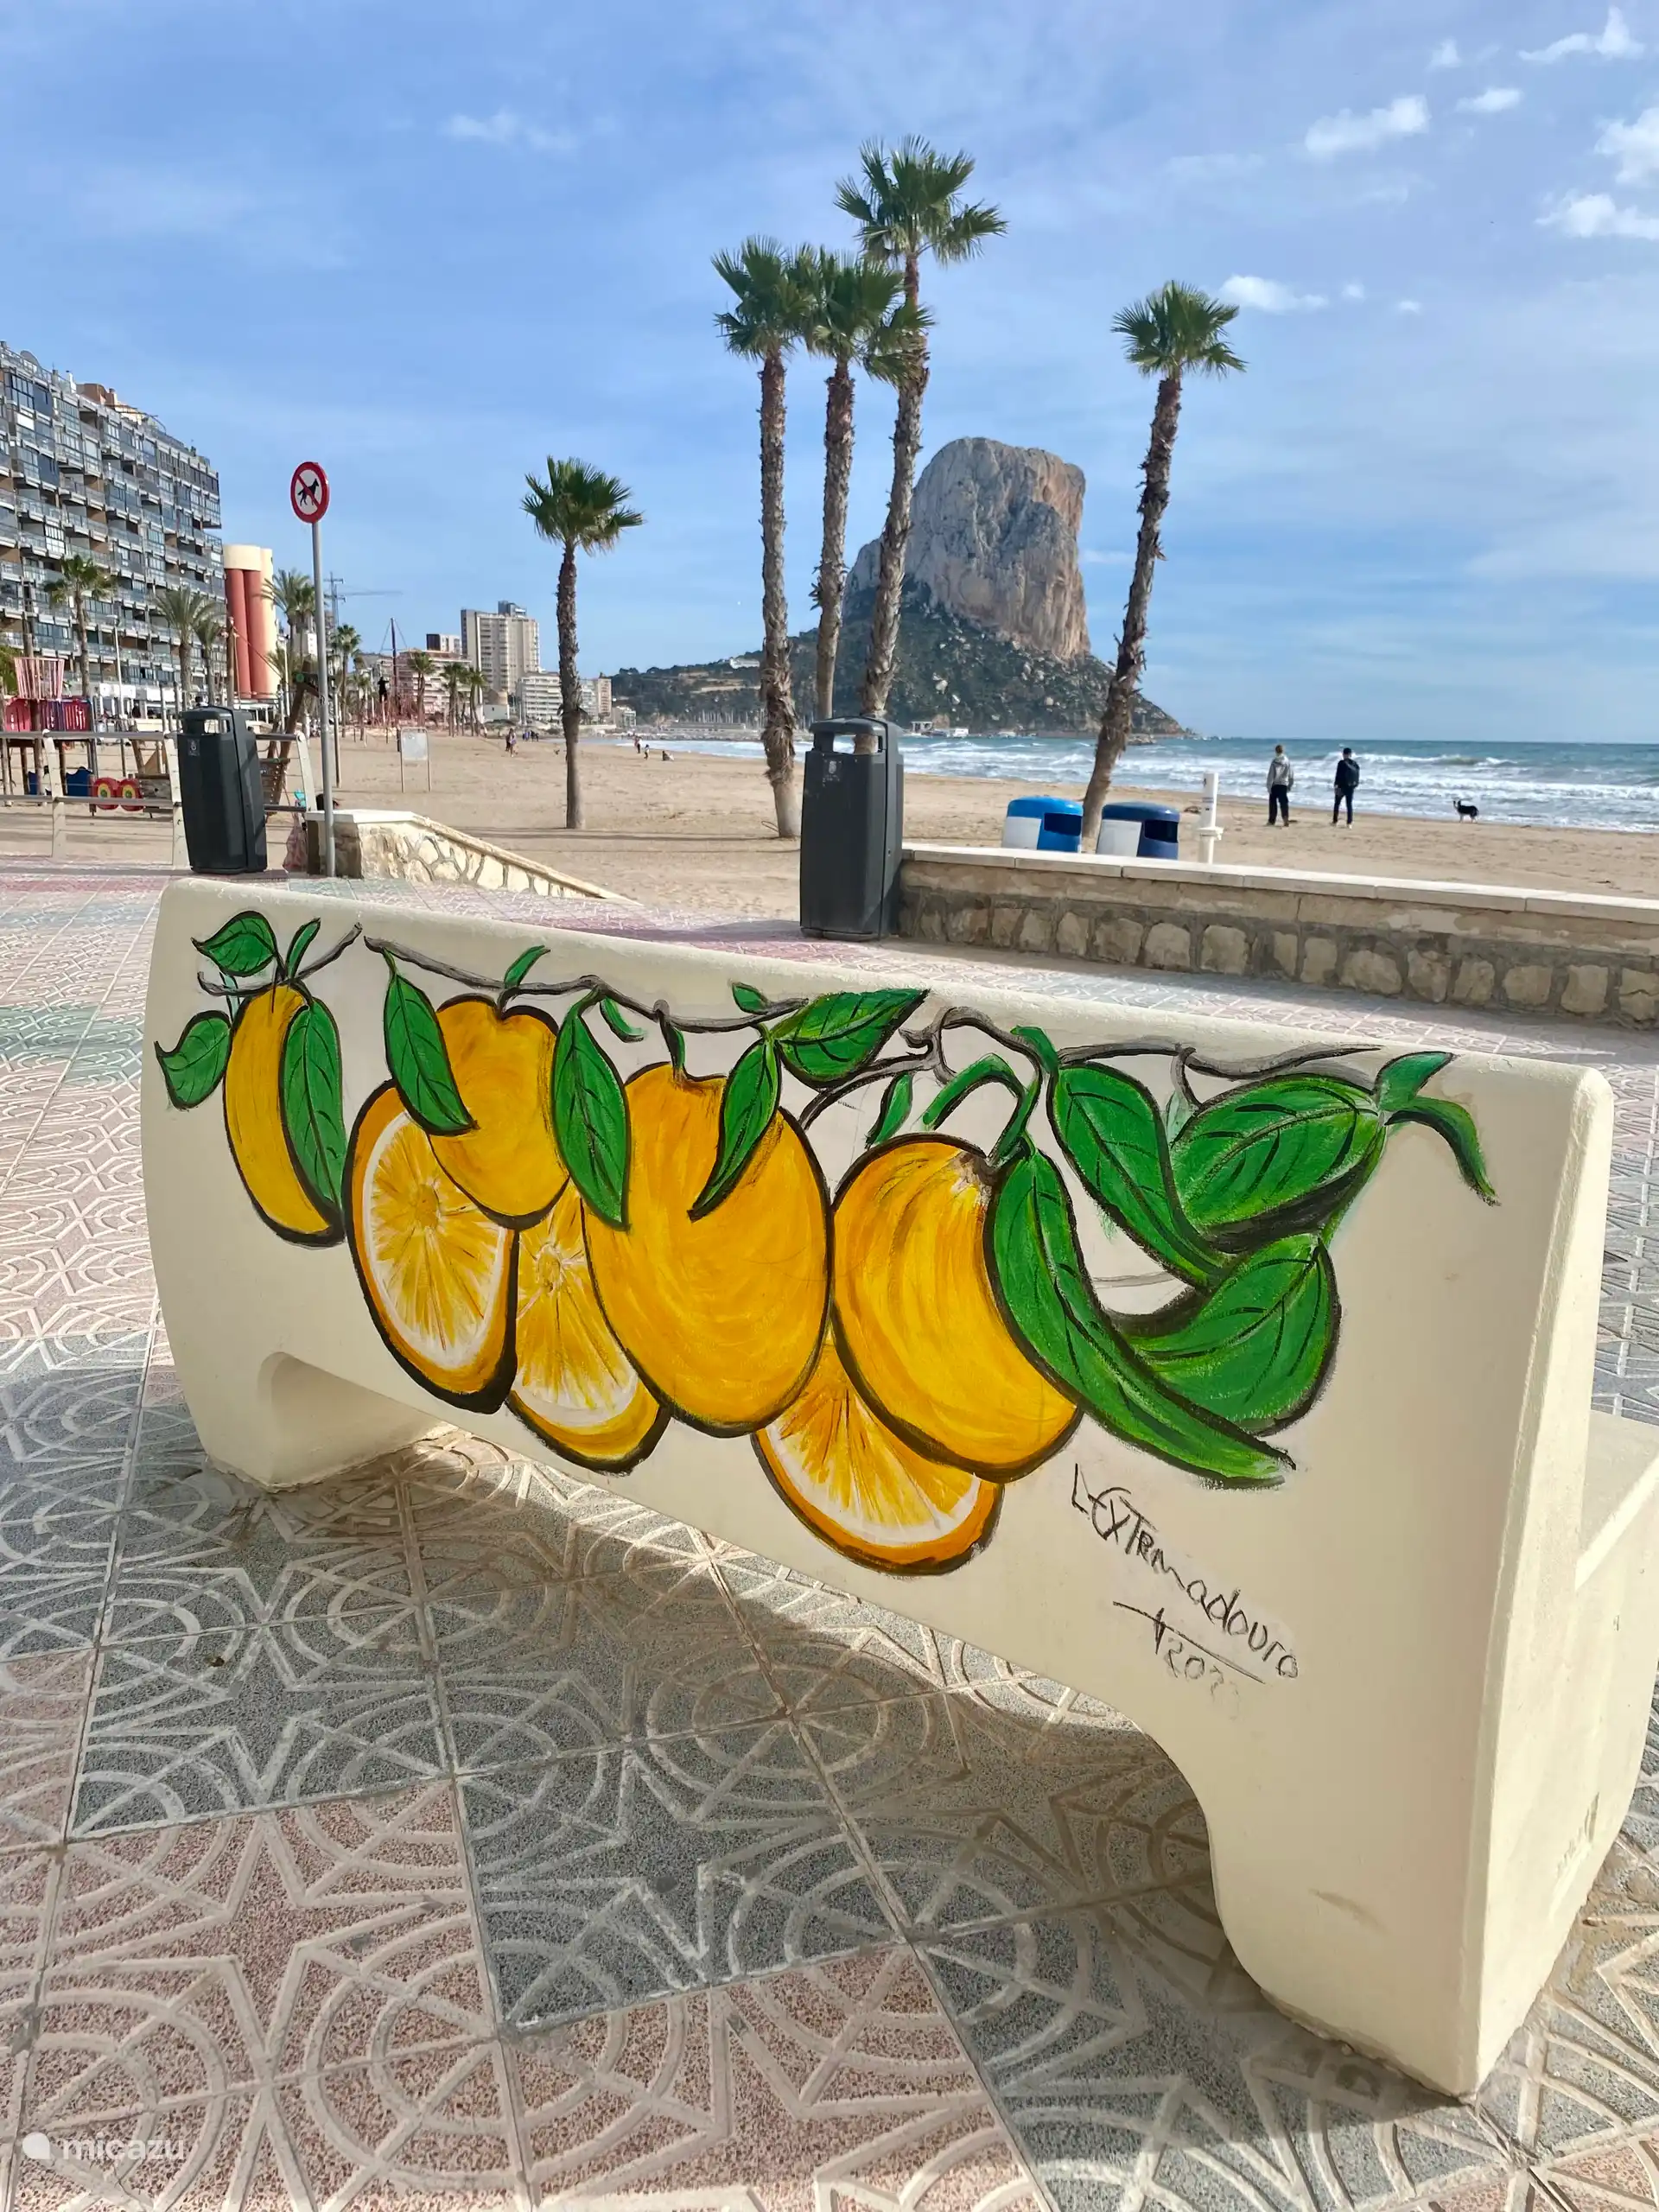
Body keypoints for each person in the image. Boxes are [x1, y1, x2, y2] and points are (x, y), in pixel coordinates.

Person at [1266, 745, 1294, 827]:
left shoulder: (1274, 761)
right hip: (1283, 784)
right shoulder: (1287, 761)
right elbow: (1291, 774)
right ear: (1283, 751)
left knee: (1273, 803)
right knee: (1284, 803)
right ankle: (1285, 818)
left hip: (1275, 784)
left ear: (1276, 751)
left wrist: (1269, 786)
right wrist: (1290, 785)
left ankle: (1272, 821)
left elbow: (1271, 775)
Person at [1332, 747, 1359, 825]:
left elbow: (1338, 775)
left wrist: (1336, 785)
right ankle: (1349, 823)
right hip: (1351, 787)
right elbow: (1357, 776)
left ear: (1343, 754)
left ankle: (1335, 821)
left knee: (1337, 804)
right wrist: (1355, 785)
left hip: (1341, 787)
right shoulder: (1355, 764)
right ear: (1350, 754)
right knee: (1349, 805)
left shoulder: (1341, 763)